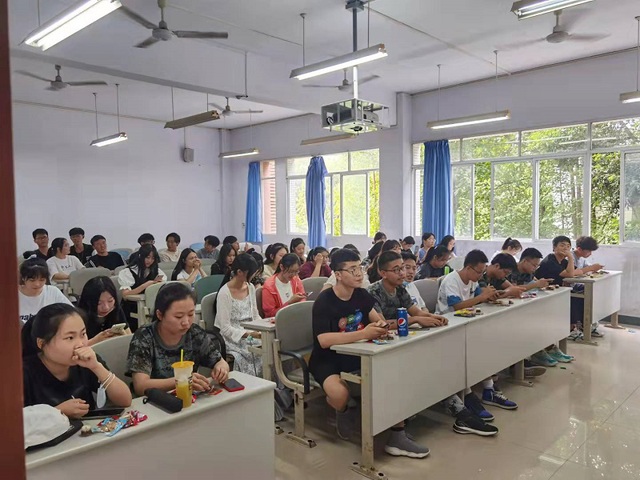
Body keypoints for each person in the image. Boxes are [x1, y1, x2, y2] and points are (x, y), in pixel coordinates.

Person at [310, 249, 495, 454]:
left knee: (396, 375)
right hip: (328, 359)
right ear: (338, 274)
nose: (358, 274)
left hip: (360, 352)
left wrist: (381, 327)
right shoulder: (325, 300)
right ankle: (344, 409)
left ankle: (397, 435)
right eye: (352, 270)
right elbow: (323, 340)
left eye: (359, 268)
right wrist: (363, 333)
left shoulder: (361, 295)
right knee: (340, 394)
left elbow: (378, 320)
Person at [437, 250, 519, 414]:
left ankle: (489, 389)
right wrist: (482, 297)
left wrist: (491, 295)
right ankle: (470, 394)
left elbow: (479, 298)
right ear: (468, 267)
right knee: (475, 351)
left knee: (488, 345)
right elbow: (457, 306)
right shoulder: (452, 280)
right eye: (479, 272)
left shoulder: (472, 281)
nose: (481, 275)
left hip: (467, 323)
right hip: (448, 326)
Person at [22, 303, 132, 417]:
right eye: (70, 338)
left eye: (83, 334)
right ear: (41, 343)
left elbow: (125, 400)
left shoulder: (87, 361)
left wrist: (96, 367)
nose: (80, 344)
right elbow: (16, 421)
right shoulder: (23, 374)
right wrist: (57, 411)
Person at [126, 283, 229, 396]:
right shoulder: (144, 337)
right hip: (154, 401)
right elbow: (140, 386)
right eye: (178, 317)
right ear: (160, 315)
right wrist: (181, 380)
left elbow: (220, 361)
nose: (186, 322)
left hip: (188, 398)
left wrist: (221, 369)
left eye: (191, 314)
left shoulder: (195, 333)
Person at [368, 251, 448, 328]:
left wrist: (435, 317)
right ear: (383, 273)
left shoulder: (400, 288)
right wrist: (415, 319)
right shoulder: (373, 292)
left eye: (402, 268)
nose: (402, 273)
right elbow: (382, 324)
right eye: (396, 270)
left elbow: (416, 312)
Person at [536, 236, 593, 340]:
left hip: (559, 290)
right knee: (573, 297)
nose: (565, 248)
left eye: (568, 246)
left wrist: (572, 268)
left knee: (580, 294)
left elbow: (576, 271)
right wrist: (570, 257)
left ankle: (581, 326)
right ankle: (570, 328)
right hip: (544, 292)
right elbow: (571, 274)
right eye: (562, 245)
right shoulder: (550, 260)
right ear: (554, 248)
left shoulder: (563, 261)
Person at [214, 254, 263, 376]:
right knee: (252, 353)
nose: (254, 276)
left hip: (251, 333)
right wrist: (249, 334)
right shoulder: (224, 293)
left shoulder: (250, 287)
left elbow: (255, 315)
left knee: (270, 348)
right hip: (233, 338)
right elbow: (225, 328)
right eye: (251, 273)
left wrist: (263, 328)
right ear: (240, 272)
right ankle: (252, 384)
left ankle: (271, 383)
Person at [119, 245, 167, 330]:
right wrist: (146, 285)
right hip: (132, 307)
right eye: (147, 257)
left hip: (151, 305)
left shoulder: (157, 271)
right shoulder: (128, 272)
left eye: (152, 258)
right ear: (140, 256)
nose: (150, 261)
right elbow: (125, 295)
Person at [77, 276, 131, 346]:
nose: (106, 307)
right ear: (88, 302)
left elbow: (129, 336)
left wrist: (123, 337)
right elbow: (75, 348)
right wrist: (97, 340)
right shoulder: (78, 317)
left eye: (110, 301)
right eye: (99, 303)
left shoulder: (116, 309)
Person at [19, 259, 72, 326]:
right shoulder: (13, 294)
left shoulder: (53, 291)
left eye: (42, 280)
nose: (37, 284)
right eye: (32, 280)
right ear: (23, 278)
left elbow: (71, 313)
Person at [262, 253, 306, 318]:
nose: (293, 275)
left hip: (296, 317)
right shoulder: (269, 287)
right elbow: (270, 314)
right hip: (279, 320)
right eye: (291, 271)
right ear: (281, 267)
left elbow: (303, 299)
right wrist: (289, 303)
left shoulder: (296, 280)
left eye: (296, 271)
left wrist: (301, 301)